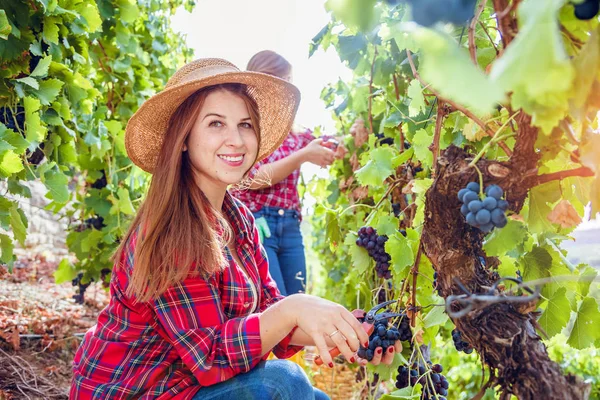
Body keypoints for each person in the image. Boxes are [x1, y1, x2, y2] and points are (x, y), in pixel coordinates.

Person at [69, 58, 400, 400]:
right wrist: (294, 307)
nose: (236, 140)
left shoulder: (239, 218)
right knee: (282, 383)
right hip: (138, 393)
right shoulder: (170, 228)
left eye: (245, 124)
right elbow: (211, 356)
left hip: (189, 387)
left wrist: (352, 333)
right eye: (215, 124)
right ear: (184, 138)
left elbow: (271, 315)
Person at [231, 50, 336, 296]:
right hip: (257, 223)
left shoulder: (295, 132)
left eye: (289, 81)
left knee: (299, 301)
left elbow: (326, 145)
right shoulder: (246, 128)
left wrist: (351, 138)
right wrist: (303, 155)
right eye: (281, 81)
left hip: (290, 226)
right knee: (276, 306)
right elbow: (253, 178)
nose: (286, 89)